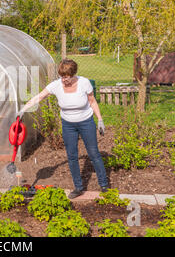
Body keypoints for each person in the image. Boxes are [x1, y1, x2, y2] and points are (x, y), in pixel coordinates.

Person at [17, 59, 109, 199]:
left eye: (66, 77)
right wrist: (23, 110)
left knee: (93, 153)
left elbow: (92, 101)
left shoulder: (84, 83)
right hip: (68, 125)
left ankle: (104, 185)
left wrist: (100, 119)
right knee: (72, 156)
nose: (64, 80)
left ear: (73, 74)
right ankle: (78, 187)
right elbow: (39, 97)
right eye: (61, 77)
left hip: (86, 122)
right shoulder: (56, 85)